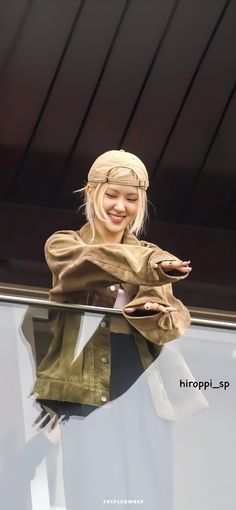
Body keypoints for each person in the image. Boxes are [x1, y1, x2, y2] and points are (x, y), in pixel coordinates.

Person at [32, 149, 192, 509]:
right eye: (113, 195)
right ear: (91, 193)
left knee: (148, 497)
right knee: (95, 493)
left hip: (142, 392)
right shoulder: (65, 245)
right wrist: (152, 265)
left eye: (132, 199)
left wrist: (152, 312)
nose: (121, 207)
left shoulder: (154, 257)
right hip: (84, 393)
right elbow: (89, 263)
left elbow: (175, 322)